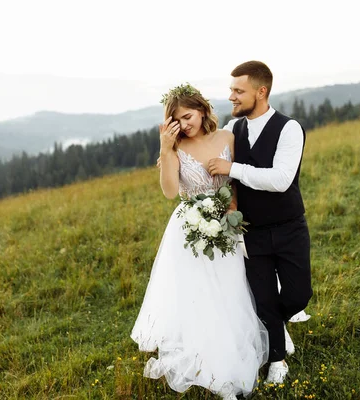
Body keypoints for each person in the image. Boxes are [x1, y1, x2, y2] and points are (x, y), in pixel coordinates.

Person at [131, 83, 268, 399]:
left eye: (189, 116)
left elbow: (237, 180)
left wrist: (231, 212)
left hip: (225, 224)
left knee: (230, 289)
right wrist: (166, 149)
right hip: (189, 231)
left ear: (203, 111)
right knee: (199, 296)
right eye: (177, 120)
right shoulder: (175, 149)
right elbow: (168, 192)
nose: (185, 124)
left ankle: (231, 353)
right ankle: (210, 364)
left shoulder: (227, 138)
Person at [207, 61, 313, 384]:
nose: (232, 97)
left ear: (261, 91)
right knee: (264, 298)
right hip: (250, 231)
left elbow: (280, 179)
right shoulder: (232, 128)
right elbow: (212, 163)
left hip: (289, 227)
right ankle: (277, 360)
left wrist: (232, 169)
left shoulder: (289, 128)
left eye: (238, 91)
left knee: (298, 296)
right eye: (231, 90)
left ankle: (276, 326)